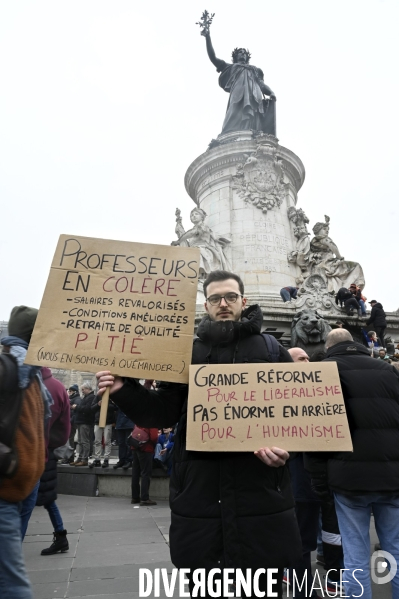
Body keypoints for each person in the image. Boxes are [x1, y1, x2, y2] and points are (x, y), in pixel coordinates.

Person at [96, 270, 302, 598]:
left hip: (260, 490)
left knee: (265, 587)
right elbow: (162, 411)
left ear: (243, 301)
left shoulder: (272, 348)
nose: (224, 303)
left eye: (231, 297)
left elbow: (299, 412)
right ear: (206, 305)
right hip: (201, 490)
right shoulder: (186, 352)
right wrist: (123, 389)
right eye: (216, 298)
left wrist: (287, 448)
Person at [306, 328, 399, 599]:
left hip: (348, 479)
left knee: (355, 553)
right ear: (356, 344)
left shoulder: (321, 372)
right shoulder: (389, 371)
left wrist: (319, 483)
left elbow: (315, 435)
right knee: (395, 548)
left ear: (328, 346)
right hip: (392, 476)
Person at [0, 306, 48, 599]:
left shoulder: (31, 373)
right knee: (15, 585)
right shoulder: (8, 368)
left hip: (23, 486)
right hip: (4, 489)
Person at [20, 368, 71, 554]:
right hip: (44, 451)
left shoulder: (22, 380)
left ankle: (11, 556)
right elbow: (64, 431)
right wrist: (48, 443)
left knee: (22, 505)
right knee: (46, 497)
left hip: (22, 453)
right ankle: (60, 535)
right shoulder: (58, 387)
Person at [201, 23, 276, 135]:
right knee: (234, 111)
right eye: (240, 52)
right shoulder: (230, 67)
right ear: (235, 56)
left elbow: (261, 84)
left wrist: (271, 92)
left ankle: (252, 132)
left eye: (244, 53)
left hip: (255, 95)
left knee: (254, 114)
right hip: (238, 92)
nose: (242, 54)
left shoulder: (255, 69)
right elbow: (213, 58)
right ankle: (230, 134)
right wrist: (208, 37)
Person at [130, 425, 159, 506]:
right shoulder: (152, 421)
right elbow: (154, 437)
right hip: (146, 448)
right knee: (146, 473)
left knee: (135, 473)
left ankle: (135, 497)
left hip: (135, 446)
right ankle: (145, 498)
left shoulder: (139, 417)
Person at [89, 393, 116, 469]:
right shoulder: (97, 396)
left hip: (108, 421)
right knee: (97, 441)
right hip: (98, 421)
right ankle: (97, 458)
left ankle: (106, 459)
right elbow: (92, 408)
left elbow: (115, 407)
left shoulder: (111, 396)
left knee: (107, 441)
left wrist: (106, 404)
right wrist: (98, 404)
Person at [71, 382, 95, 466]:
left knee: (84, 442)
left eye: (83, 389)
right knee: (80, 441)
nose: (82, 391)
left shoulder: (91, 397)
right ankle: (80, 458)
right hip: (81, 421)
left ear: (88, 389)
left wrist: (76, 407)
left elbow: (88, 409)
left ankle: (84, 459)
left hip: (85, 422)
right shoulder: (86, 397)